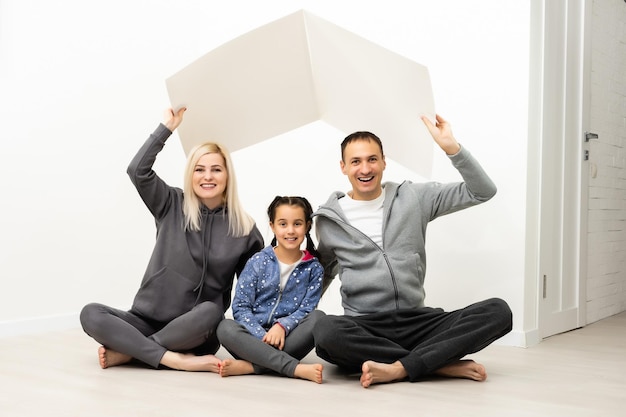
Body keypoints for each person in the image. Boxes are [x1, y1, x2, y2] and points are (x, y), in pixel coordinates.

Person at [312, 114, 513, 388]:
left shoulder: (414, 197)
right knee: (326, 331)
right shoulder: (328, 219)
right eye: (356, 161)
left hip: (417, 322)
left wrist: (450, 147)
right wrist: (289, 321)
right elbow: (322, 272)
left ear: (384, 162)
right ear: (343, 167)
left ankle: (399, 367)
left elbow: (482, 191)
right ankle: (436, 364)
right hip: (365, 326)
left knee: (498, 311)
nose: (365, 168)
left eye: (372, 159)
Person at [80, 107, 263, 372]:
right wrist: (167, 127)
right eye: (199, 169)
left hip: (197, 330)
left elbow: (251, 292)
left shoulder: (244, 229)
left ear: (227, 175)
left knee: (212, 310)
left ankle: (133, 353)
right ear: (191, 174)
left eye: (216, 170)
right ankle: (172, 358)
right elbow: (137, 171)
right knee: (90, 313)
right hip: (145, 319)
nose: (207, 176)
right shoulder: (171, 203)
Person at [216, 196, 325, 384]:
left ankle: (252, 366)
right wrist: (263, 337)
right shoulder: (258, 262)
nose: (290, 230)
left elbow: (307, 310)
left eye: (297, 224)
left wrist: (282, 327)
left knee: (319, 318)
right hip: (252, 337)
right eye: (283, 224)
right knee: (225, 327)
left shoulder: (314, 269)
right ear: (273, 226)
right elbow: (241, 307)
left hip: (288, 338)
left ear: (307, 226)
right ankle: (294, 368)